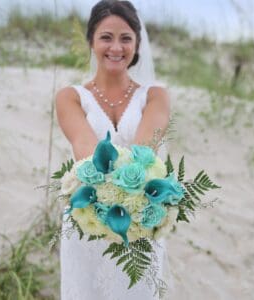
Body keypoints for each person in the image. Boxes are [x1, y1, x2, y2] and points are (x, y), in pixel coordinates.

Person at [56, 1, 170, 299]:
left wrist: (132, 201)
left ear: (137, 44)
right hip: (87, 218)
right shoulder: (71, 97)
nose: (116, 47)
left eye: (126, 38)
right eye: (106, 37)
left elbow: (144, 154)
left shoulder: (155, 96)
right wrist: (110, 190)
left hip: (140, 219)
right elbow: (87, 151)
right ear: (91, 41)